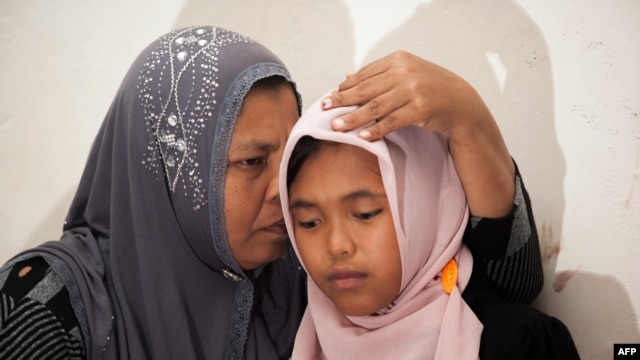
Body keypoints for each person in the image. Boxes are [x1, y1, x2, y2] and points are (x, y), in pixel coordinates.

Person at [0, 26, 541, 359]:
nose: (281, 195)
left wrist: (471, 124)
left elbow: (506, 290)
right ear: (169, 174)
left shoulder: (295, 274)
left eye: (284, 166)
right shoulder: (49, 305)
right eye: (253, 162)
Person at [281, 95, 579, 359]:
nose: (336, 245)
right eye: (309, 222)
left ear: (426, 211)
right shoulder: (292, 333)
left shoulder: (516, 343)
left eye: (365, 214)